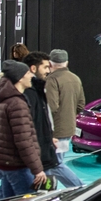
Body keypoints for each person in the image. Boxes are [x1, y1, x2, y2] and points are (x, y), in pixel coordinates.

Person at [23, 51, 83, 188]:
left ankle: (80, 189)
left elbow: (51, 106)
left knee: (54, 164)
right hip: (68, 128)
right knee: (53, 164)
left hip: (55, 130)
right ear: (67, 62)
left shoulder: (51, 80)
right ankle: (50, 191)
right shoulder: (75, 78)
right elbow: (81, 104)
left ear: (51, 64)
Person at [0, 59, 47, 198]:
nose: (31, 75)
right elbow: (24, 141)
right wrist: (37, 170)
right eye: (28, 73)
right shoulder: (17, 104)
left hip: (2, 161)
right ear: (20, 78)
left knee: (5, 200)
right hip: (16, 165)